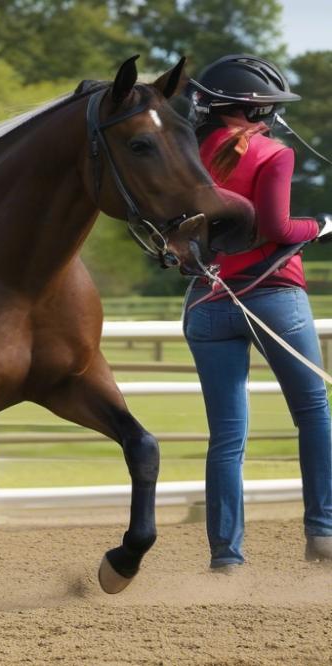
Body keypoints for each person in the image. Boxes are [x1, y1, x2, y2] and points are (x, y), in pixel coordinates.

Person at [183, 54, 332, 570]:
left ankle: (226, 555)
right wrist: (320, 226)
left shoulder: (183, 153)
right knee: (313, 414)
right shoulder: (274, 153)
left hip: (208, 302)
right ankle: (324, 532)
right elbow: (276, 227)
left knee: (227, 435)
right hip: (273, 299)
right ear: (258, 107)